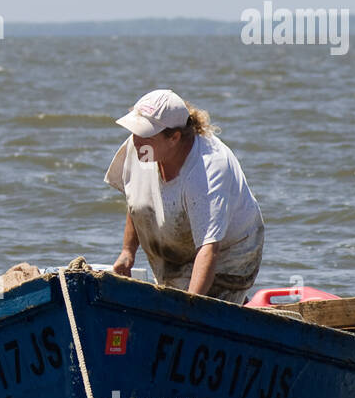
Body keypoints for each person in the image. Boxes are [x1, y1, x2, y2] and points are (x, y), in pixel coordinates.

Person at [105, 88, 264, 303]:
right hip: (178, 247)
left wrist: (188, 310)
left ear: (174, 137)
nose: (136, 140)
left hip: (230, 256)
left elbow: (209, 249)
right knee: (171, 297)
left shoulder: (207, 172)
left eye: (145, 133)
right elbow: (137, 201)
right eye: (135, 131)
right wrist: (128, 251)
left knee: (204, 308)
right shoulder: (143, 146)